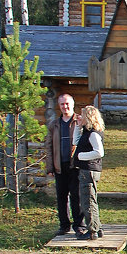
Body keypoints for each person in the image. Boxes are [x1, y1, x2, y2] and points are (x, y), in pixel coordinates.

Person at [45, 93, 86, 236]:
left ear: (73, 104)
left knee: (77, 196)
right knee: (62, 197)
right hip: (59, 165)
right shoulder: (54, 124)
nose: (65, 106)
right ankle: (64, 225)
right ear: (59, 106)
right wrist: (50, 167)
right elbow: (49, 146)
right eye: (62, 104)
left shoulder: (79, 121)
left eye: (67, 103)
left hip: (75, 166)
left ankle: (79, 225)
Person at [74, 105, 105, 241]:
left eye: (82, 115)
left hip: (89, 170)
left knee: (88, 201)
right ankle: (97, 229)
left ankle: (92, 231)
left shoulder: (93, 134)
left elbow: (99, 152)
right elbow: (75, 142)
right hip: (88, 170)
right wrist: (77, 126)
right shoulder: (87, 132)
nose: (80, 117)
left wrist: (81, 156)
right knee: (91, 200)